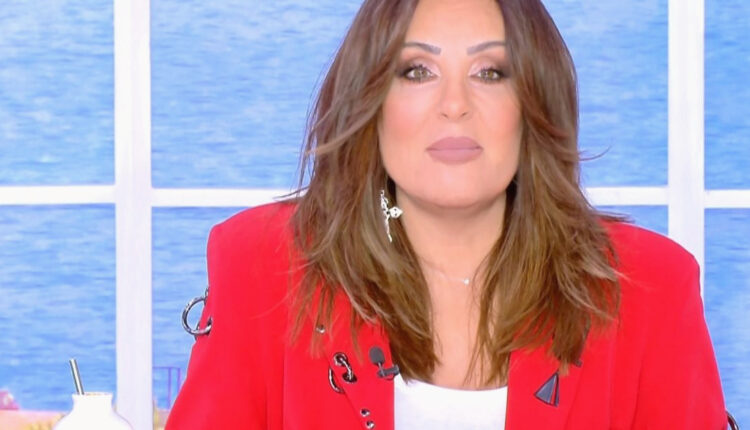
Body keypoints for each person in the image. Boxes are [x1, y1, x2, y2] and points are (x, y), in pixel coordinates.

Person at [165, 0, 728, 428]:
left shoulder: (650, 286)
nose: (455, 104)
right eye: (417, 71)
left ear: (535, 104)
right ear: (370, 102)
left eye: (490, 72)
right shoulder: (264, 266)